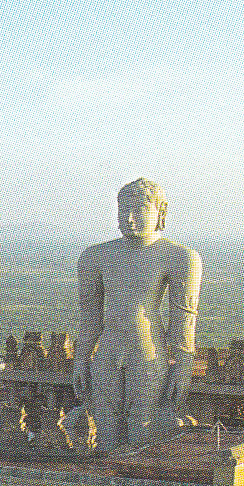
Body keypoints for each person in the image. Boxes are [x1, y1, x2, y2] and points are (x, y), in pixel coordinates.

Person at [73, 178, 202, 452]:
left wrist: (183, 366)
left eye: (139, 211)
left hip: (148, 348)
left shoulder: (180, 257)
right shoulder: (96, 256)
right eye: (123, 211)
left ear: (161, 213)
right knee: (104, 425)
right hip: (108, 348)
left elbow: (183, 318)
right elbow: (90, 315)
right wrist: (81, 358)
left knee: (143, 426)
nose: (129, 219)